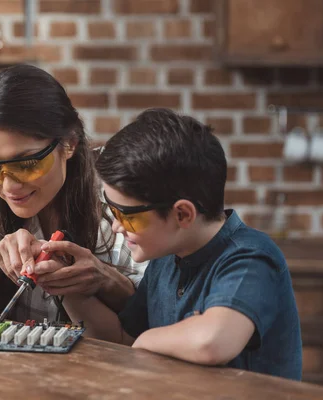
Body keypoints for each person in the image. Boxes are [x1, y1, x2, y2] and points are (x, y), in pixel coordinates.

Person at [46, 108, 302, 380]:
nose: (116, 226)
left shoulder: (251, 258)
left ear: (182, 214)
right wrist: (65, 286)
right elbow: (122, 338)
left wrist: (146, 341)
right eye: (112, 210)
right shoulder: (166, 258)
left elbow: (212, 342)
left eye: (127, 216)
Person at [0, 64, 146, 322]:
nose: (8, 187)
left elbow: (163, 310)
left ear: (69, 144)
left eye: (27, 164)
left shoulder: (119, 192)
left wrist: (104, 279)